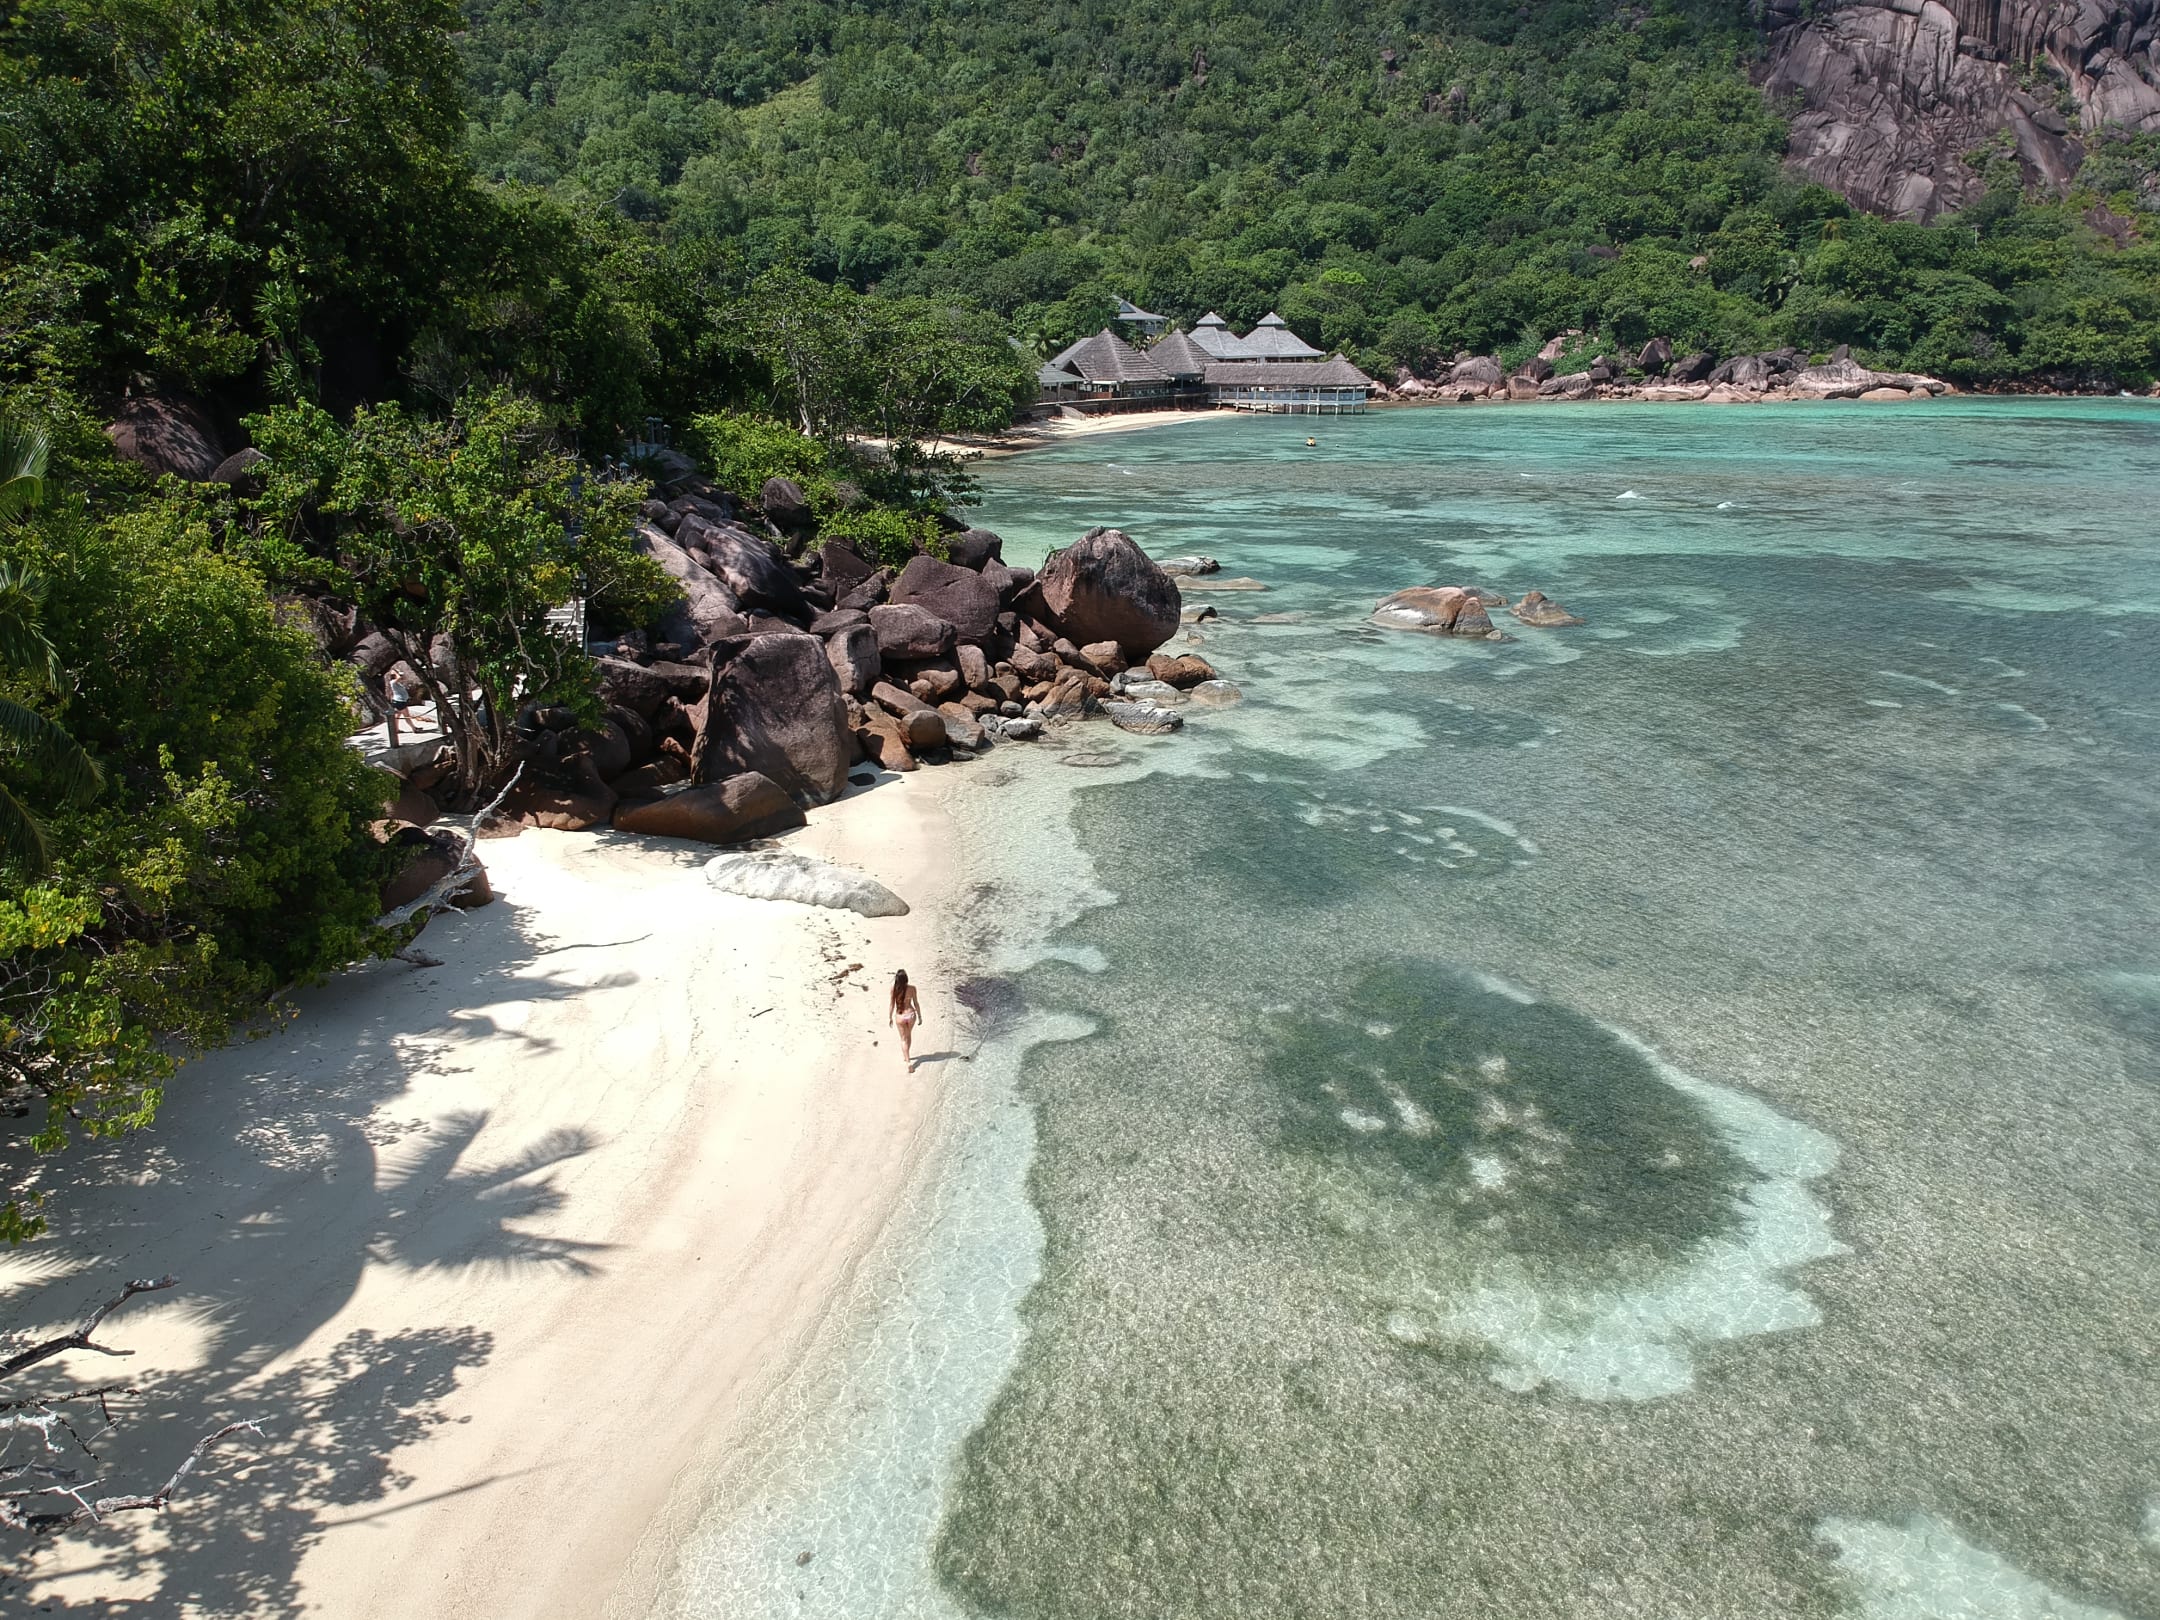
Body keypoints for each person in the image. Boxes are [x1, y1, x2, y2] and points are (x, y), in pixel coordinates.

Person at [888, 969, 923, 1072]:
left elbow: (891, 1004)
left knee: (903, 1039)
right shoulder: (912, 988)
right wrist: (920, 1016)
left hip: (900, 1016)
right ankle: (907, 1055)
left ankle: (908, 1061)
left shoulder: (894, 989)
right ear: (906, 978)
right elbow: (916, 1003)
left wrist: (890, 1017)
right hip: (911, 1014)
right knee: (908, 1035)